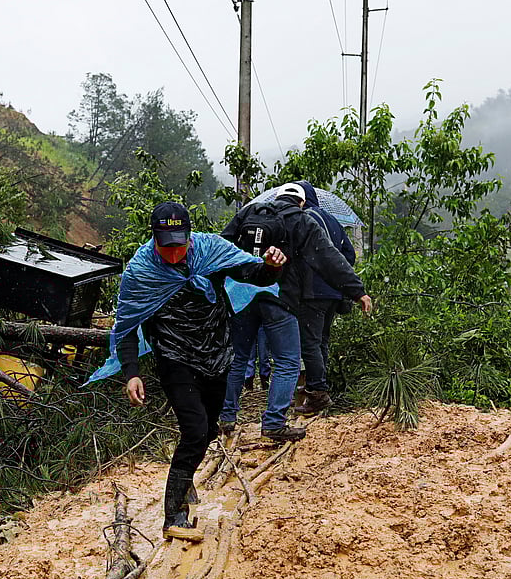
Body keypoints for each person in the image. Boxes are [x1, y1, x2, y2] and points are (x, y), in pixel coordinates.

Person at [88, 201, 285, 535]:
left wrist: (272, 266)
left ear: (190, 237)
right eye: (166, 247)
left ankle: (185, 477)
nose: (174, 254)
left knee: (208, 431)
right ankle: (174, 515)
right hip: (174, 357)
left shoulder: (211, 251)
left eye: (179, 245)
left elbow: (255, 274)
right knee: (194, 430)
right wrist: (132, 372)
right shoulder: (141, 271)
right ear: (154, 239)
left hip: (216, 352)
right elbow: (126, 326)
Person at [218, 183, 372, 439]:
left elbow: (222, 246)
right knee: (287, 361)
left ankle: (226, 417)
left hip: (241, 296)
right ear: (301, 202)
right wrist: (357, 291)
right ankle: (274, 422)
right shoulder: (302, 220)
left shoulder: (249, 212)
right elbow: (329, 258)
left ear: (277, 197)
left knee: (239, 358)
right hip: (279, 297)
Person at [295, 181, 360, 413]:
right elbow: (349, 255)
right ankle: (319, 388)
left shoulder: (304, 220)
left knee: (310, 343)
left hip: (313, 291)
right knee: (321, 340)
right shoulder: (332, 219)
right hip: (334, 292)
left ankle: (317, 393)